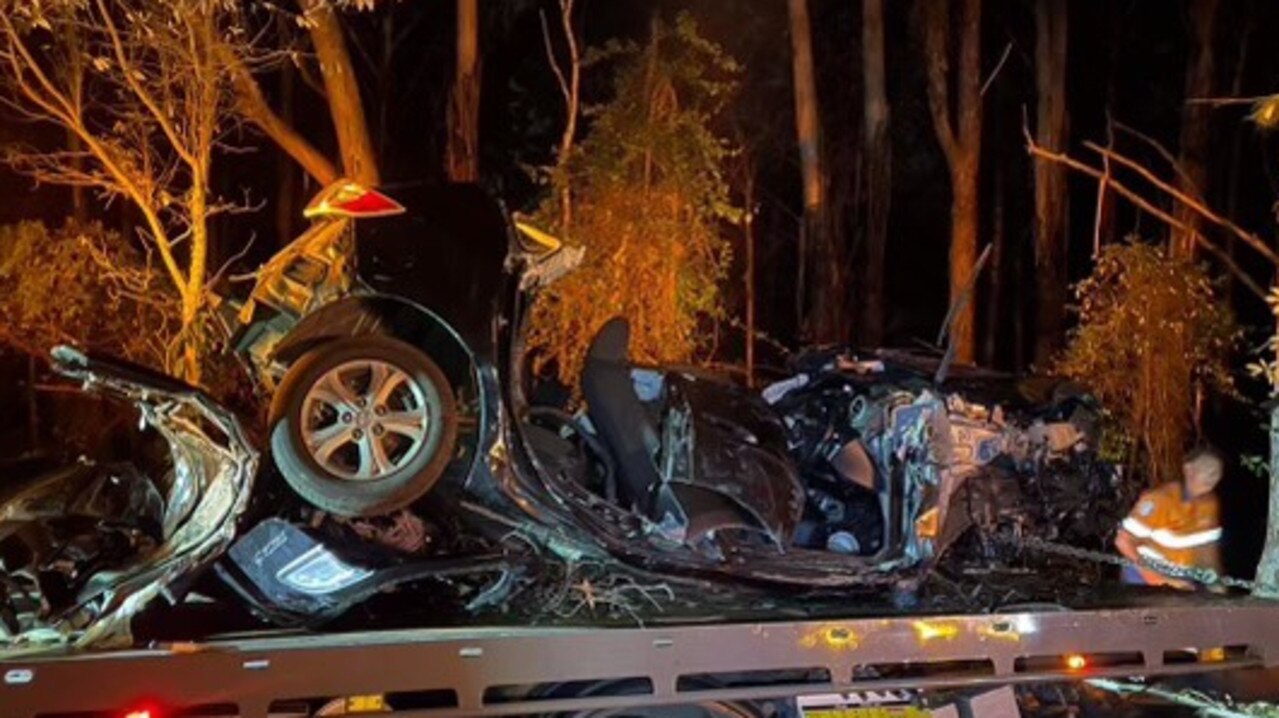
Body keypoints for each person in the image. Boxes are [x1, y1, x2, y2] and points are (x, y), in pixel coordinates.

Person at [1115, 446, 1224, 588]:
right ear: (1189, 469)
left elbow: (1207, 551)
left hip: (1181, 576)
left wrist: (1216, 585)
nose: (1213, 476)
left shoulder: (1209, 505)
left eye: (1217, 472)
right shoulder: (1159, 500)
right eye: (1207, 469)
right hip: (1143, 576)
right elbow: (1123, 542)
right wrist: (1163, 579)